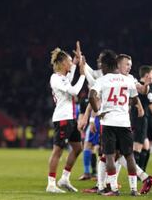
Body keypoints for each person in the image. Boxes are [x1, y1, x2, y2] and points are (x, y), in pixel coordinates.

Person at [89, 50, 140, 196]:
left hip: (109, 122)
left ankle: (113, 189)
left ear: (105, 65)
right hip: (124, 122)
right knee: (129, 155)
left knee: (109, 156)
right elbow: (135, 98)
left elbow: (91, 95)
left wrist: (98, 113)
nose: (100, 68)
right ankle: (134, 189)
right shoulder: (128, 79)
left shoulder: (103, 80)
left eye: (101, 65)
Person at [46, 42, 86, 193]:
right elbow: (74, 90)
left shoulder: (62, 77)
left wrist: (75, 64)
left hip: (70, 118)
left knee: (77, 148)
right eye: (69, 61)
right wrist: (82, 75)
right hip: (63, 119)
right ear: (62, 63)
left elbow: (68, 79)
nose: (71, 63)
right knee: (58, 151)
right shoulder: (56, 78)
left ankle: (64, 178)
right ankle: (51, 184)